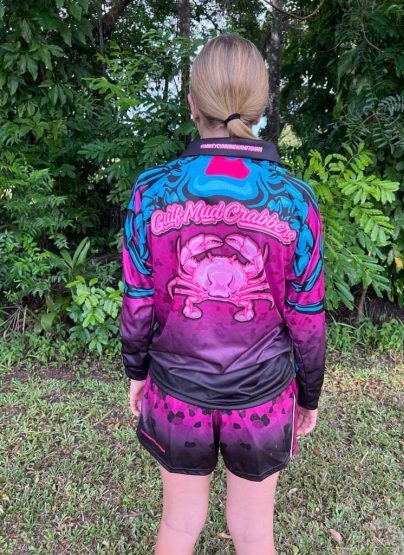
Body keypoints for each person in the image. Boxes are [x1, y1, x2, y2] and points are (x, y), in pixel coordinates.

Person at [120, 33, 326, 555]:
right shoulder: (296, 201)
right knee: (254, 533)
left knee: (179, 525)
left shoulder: (151, 191)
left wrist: (137, 372)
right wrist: (308, 394)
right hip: (262, 399)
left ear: (192, 104)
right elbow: (307, 316)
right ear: (260, 106)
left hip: (177, 392)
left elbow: (138, 298)